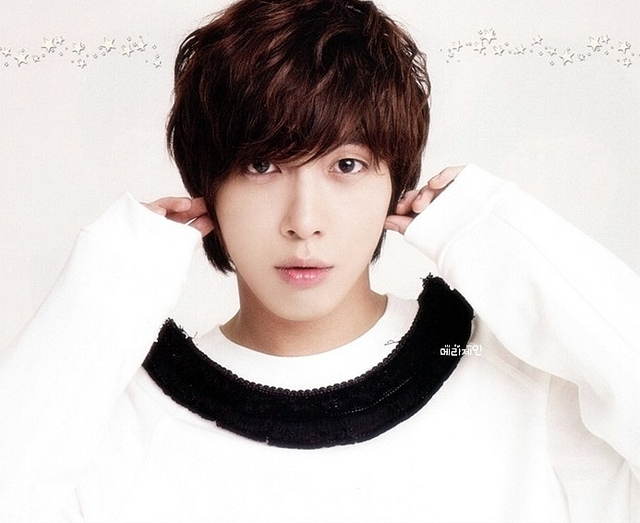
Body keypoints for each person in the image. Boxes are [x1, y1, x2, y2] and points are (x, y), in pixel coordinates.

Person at [1, 0, 638, 521]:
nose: (303, 221)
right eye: (261, 165)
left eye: (347, 165)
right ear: (208, 187)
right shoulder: (119, 416)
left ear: (395, 182)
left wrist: (498, 234)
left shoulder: (511, 374)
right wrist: (108, 290)